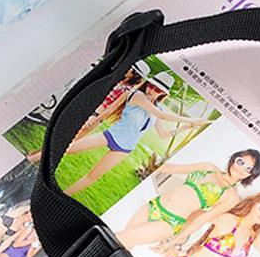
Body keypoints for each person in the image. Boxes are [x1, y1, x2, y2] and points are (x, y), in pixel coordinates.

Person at [28, 71, 210, 195]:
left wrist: (186, 128)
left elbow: (163, 134)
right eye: (151, 86)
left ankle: (63, 195)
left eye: (157, 90)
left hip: (125, 148)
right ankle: (31, 160)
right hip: (110, 136)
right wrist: (193, 120)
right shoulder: (138, 96)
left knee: (93, 176)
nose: (152, 90)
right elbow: (161, 115)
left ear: (163, 93)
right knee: (66, 149)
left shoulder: (157, 108)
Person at [115, 149, 260, 251]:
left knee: (119, 239)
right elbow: (172, 168)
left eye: (249, 169)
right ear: (234, 159)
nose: (241, 168)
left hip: (169, 222)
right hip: (154, 205)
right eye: (241, 162)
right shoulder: (208, 167)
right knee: (125, 245)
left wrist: (173, 242)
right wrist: (150, 162)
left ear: (251, 175)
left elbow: (201, 219)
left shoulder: (231, 196)